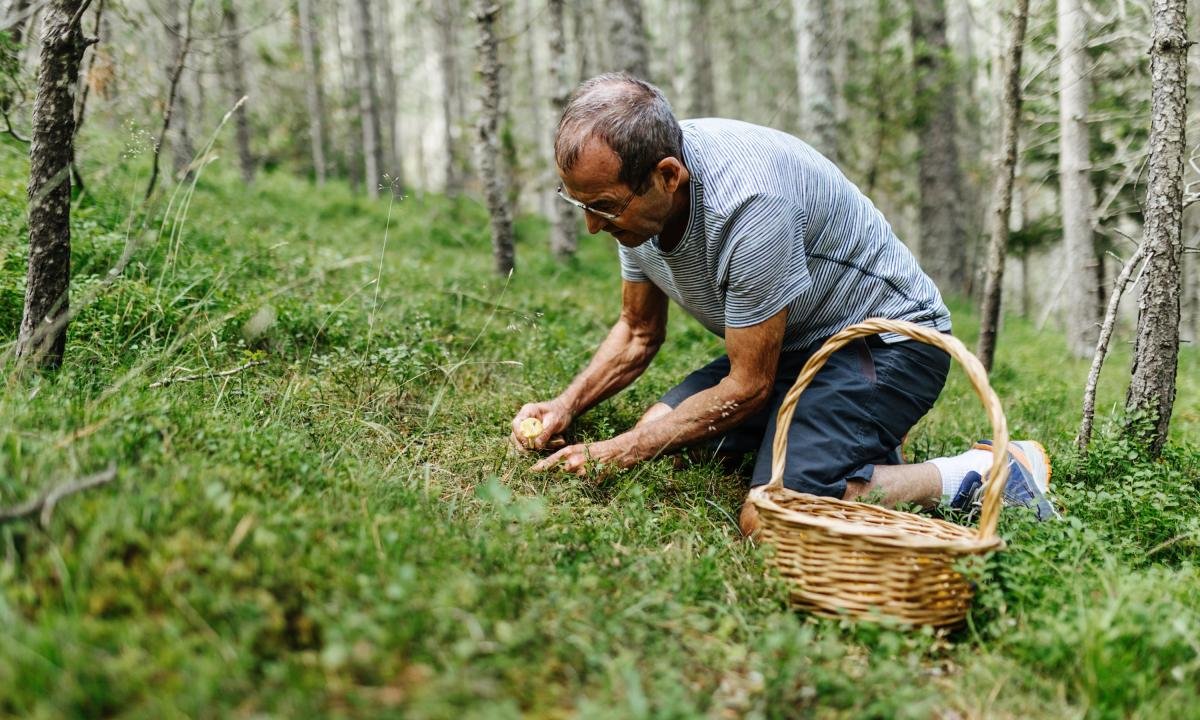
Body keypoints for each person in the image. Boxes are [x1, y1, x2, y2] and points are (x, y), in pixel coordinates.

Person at [511, 73, 1055, 535]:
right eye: (580, 204)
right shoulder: (638, 203)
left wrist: (622, 449)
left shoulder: (751, 205)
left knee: (769, 519)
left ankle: (982, 472)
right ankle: (835, 436)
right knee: (661, 425)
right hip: (787, 342)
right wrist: (567, 406)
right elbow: (637, 332)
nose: (590, 226)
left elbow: (746, 386)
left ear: (668, 176)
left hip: (884, 343)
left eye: (603, 207)